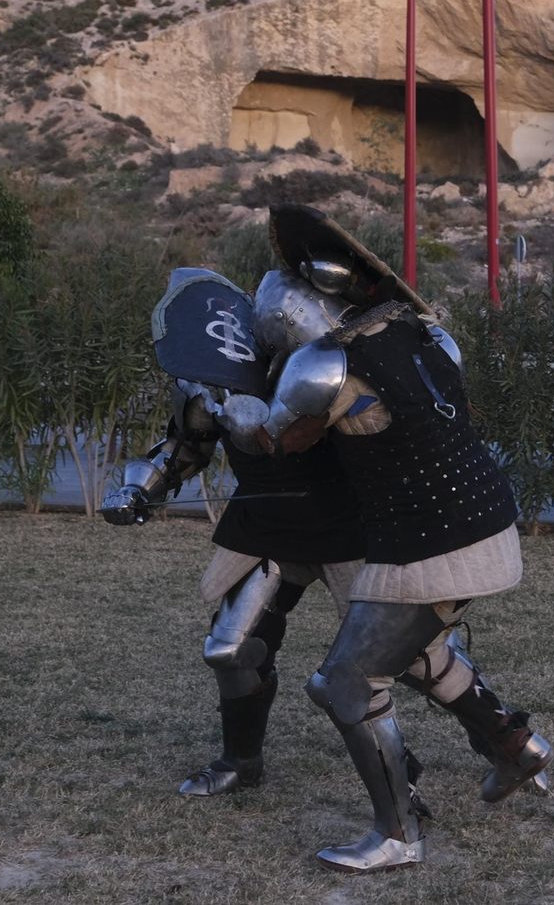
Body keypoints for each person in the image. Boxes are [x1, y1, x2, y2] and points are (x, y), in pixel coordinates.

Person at [245, 210, 553, 875]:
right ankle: (518, 746)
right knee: (417, 655)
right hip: (484, 525)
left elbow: (276, 441)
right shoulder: (429, 336)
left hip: (431, 545)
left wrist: (233, 413)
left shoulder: (325, 369)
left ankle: (398, 834)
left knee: (345, 684)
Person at [101, 269, 369, 798]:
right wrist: (140, 488)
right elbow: (186, 445)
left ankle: (509, 739)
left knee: (413, 655)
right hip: (266, 528)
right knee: (230, 649)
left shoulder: (334, 366)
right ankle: (241, 762)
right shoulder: (215, 374)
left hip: (348, 526)